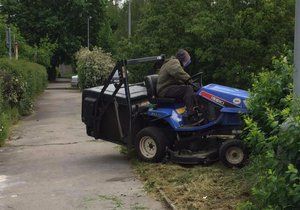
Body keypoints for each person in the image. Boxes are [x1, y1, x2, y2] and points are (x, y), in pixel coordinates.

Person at [157, 49, 200, 125]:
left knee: (190, 88)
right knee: (188, 89)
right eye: (186, 59)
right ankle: (191, 115)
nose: (187, 62)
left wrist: (191, 84)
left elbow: (179, 79)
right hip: (165, 89)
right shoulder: (173, 62)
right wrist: (191, 82)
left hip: (169, 87)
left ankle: (198, 110)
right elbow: (178, 73)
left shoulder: (173, 63)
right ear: (182, 58)